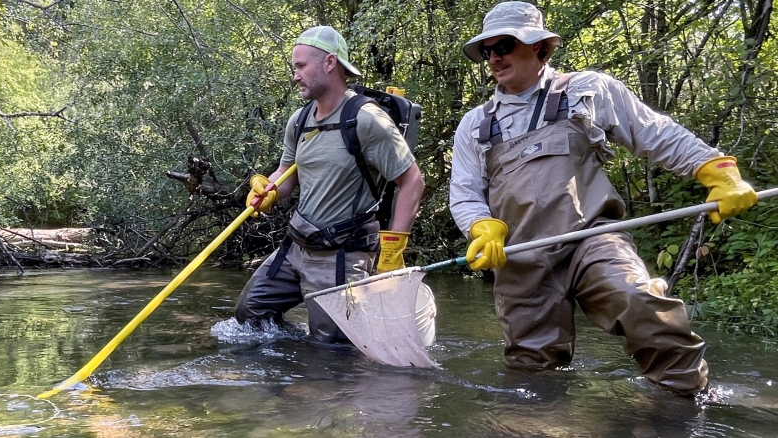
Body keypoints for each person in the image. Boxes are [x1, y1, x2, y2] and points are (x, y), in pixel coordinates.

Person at [449, 1, 758, 395]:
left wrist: (715, 170)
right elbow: (464, 193)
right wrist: (482, 226)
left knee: (639, 302)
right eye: (487, 51)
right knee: (531, 375)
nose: (494, 58)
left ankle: (690, 406)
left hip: (592, 237)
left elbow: (655, 134)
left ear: (541, 49)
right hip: (520, 257)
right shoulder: (475, 124)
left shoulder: (586, 90)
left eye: (505, 46)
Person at [236, 25, 425, 343]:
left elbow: (413, 182)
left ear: (329, 63)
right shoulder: (300, 120)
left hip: (342, 254)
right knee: (249, 317)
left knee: (330, 350)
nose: (295, 75)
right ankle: (282, 381)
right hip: (296, 247)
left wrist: (393, 247)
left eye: (300, 66)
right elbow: (284, 178)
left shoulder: (368, 120)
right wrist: (264, 189)